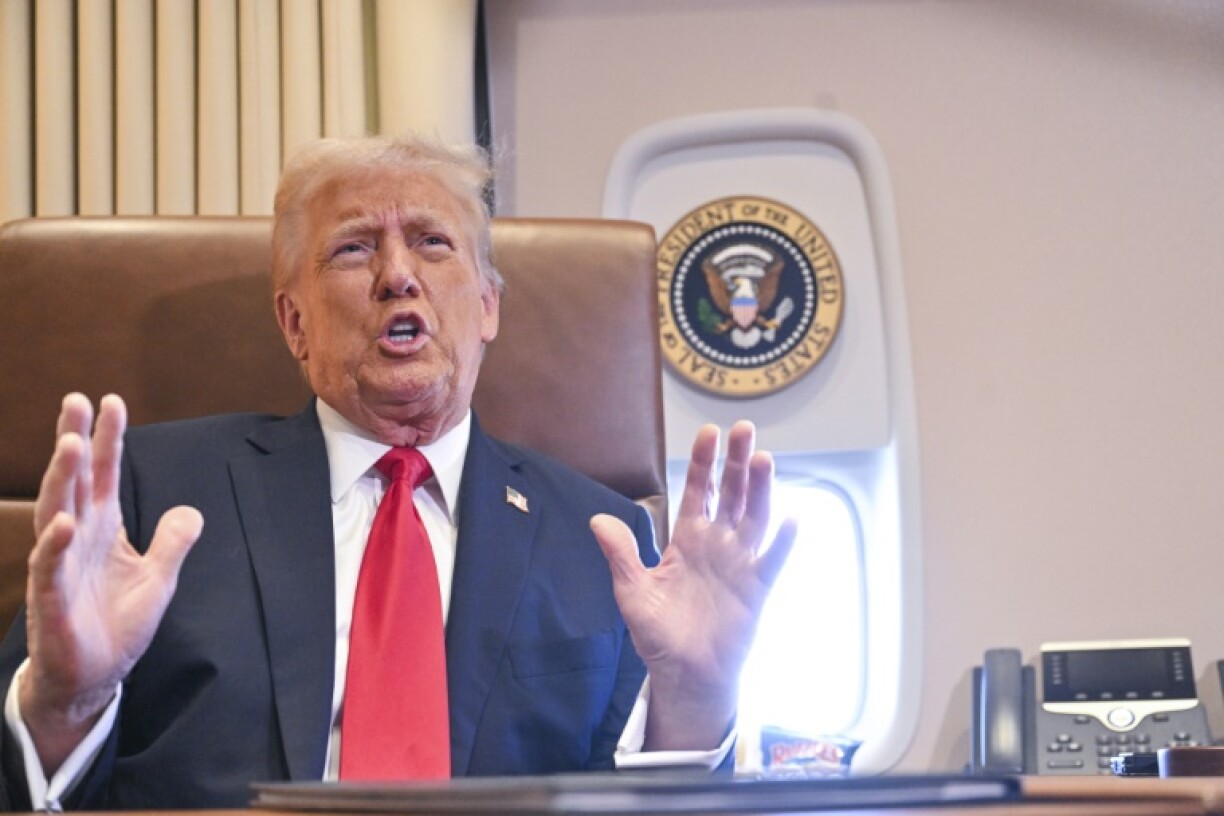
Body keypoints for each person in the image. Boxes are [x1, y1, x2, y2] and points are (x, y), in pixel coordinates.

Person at [0, 135, 796, 810]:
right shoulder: (153, 491)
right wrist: (70, 700)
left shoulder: (603, 538)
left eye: (432, 241)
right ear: (294, 321)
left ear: (487, 306)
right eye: (354, 247)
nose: (397, 275)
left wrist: (694, 699)